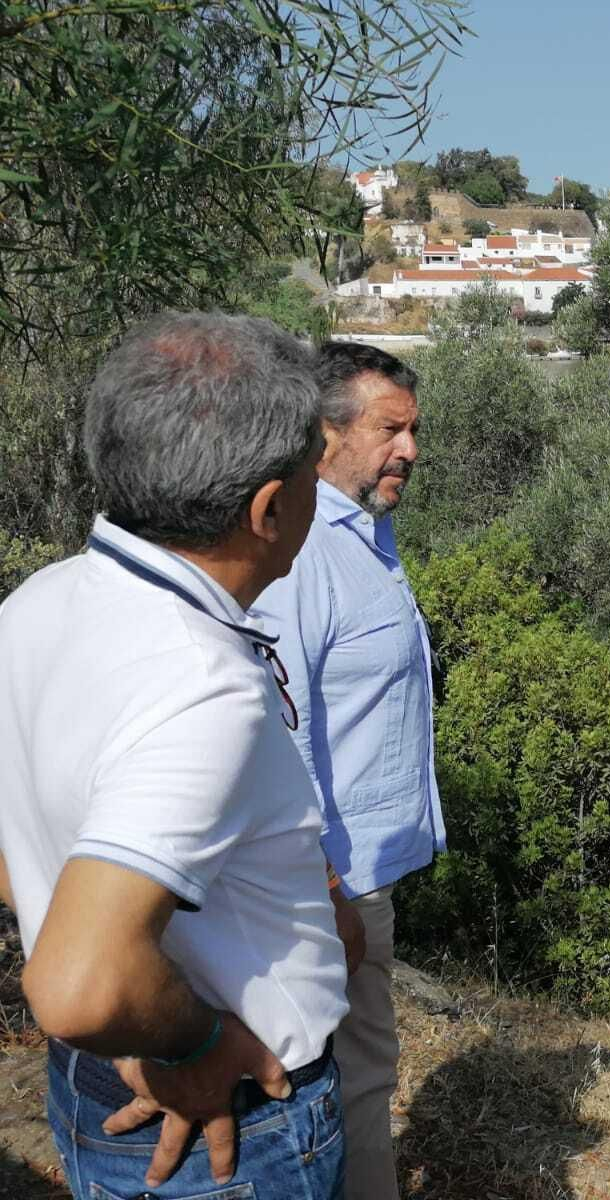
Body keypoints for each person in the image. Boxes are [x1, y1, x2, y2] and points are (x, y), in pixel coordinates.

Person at [0, 313, 349, 1199]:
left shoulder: (42, 601)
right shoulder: (201, 682)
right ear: (270, 507)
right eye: (315, 468)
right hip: (223, 1114)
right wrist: (191, 1045)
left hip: (97, 1082)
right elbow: (80, 984)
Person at [256, 340, 445, 1200]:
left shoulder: (368, 530)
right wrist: (328, 892)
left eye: (413, 430)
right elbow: (280, 737)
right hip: (330, 883)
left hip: (356, 872)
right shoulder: (299, 555)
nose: (409, 448)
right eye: (390, 430)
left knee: (356, 1069)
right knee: (354, 1079)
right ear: (324, 434)